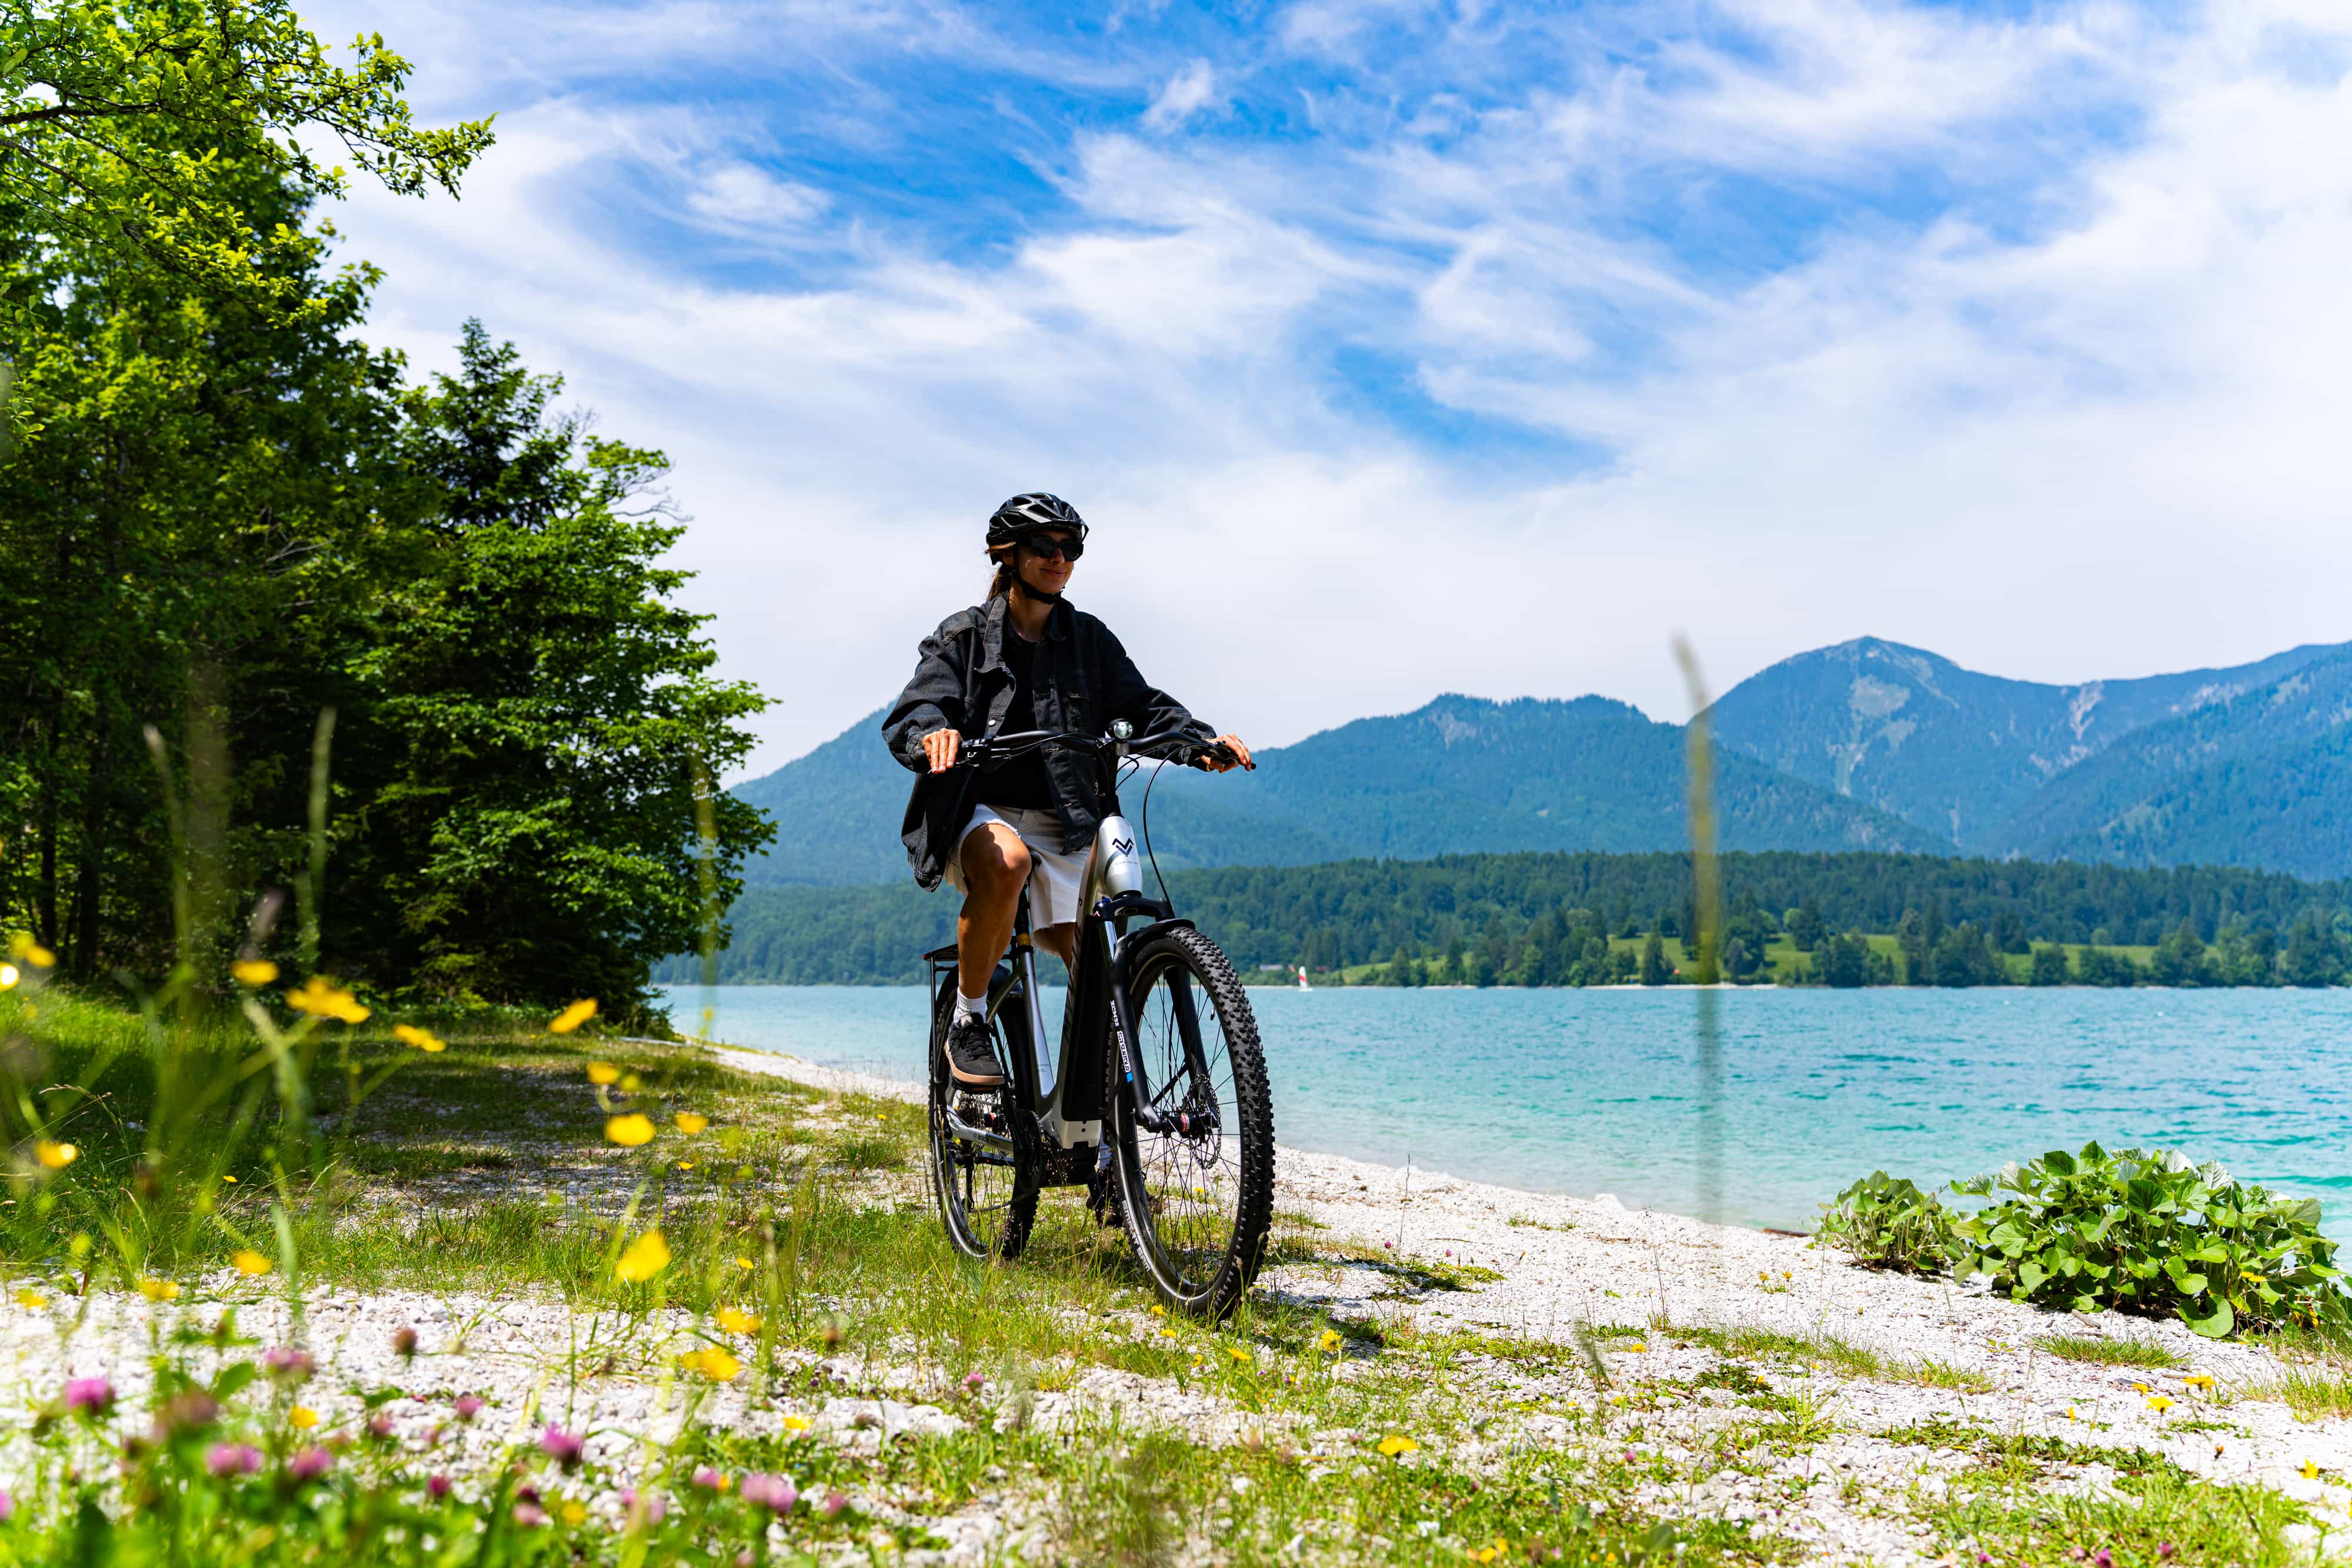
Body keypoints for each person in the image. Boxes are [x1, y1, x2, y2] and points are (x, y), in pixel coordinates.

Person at [883, 493, 1252, 1089]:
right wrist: (933, 736)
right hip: (981, 809)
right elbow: (919, 707)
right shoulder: (963, 637)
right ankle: (969, 1020)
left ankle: (1106, 1140)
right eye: (1045, 547)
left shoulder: (1087, 640)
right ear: (1009, 555)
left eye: (1071, 549)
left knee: (1097, 968)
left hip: (1069, 816)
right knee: (1007, 863)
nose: (1060, 559)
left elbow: (1141, 706)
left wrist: (1198, 742)